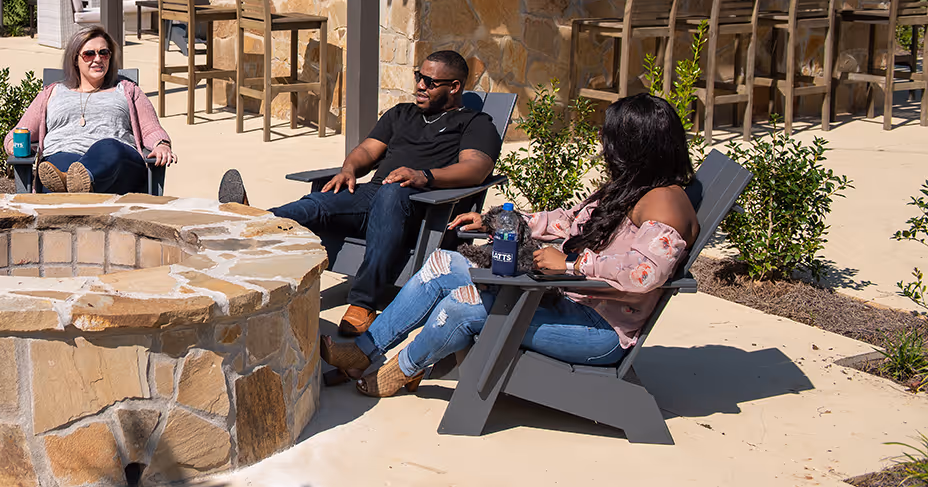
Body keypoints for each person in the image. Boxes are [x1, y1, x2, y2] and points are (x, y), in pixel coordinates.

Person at [319, 93, 698, 397]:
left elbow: (645, 275)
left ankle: (402, 370)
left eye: (611, 139)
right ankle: (364, 349)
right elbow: (568, 221)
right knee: (441, 264)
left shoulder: (664, 202)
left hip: (597, 329)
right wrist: (498, 221)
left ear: (634, 145)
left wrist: (569, 267)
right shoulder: (633, 187)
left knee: (463, 304)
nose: (604, 147)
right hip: (565, 301)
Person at [220, 50, 499, 337]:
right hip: (370, 196)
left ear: (454, 87)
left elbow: (475, 168)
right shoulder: (401, 114)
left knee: (392, 191)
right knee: (317, 204)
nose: (420, 85)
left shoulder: (475, 124)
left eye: (430, 81)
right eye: (419, 76)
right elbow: (367, 150)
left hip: (419, 207)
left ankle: (363, 303)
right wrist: (349, 169)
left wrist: (423, 176)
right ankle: (250, 220)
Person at [4, 24, 175, 194]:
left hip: (117, 167)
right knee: (57, 163)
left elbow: (152, 129)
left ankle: (79, 181)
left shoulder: (127, 90)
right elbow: (19, 132)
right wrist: (12, 144)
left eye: (104, 53)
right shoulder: (52, 92)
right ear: (75, 59)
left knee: (109, 147)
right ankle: (73, 182)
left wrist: (162, 145)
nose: (98, 59)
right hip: (63, 158)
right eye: (89, 54)